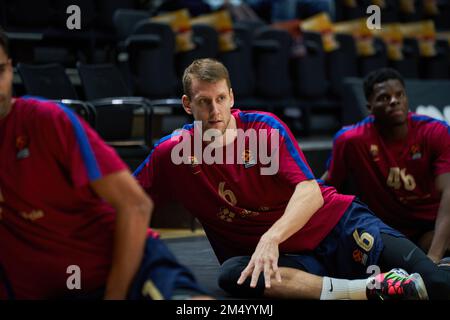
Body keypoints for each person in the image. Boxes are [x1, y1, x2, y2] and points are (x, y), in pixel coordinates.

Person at [135, 58, 450, 300]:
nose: (214, 110)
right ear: (188, 105)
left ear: (231, 97)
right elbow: (126, 201)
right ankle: (365, 289)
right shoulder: (172, 152)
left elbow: (311, 191)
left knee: (434, 284)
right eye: (204, 101)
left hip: (336, 226)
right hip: (291, 261)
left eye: (220, 99)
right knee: (234, 275)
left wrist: (270, 237)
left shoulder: (263, 129)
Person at [0, 28, 207, 300]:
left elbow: (135, 204)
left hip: (122, 269)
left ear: (10, 68)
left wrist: (115, 294)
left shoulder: (45, 120)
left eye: (0, 70)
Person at [322, 68, 450, 264]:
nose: (394, 101)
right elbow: (329, 184)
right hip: (385, 231)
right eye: (384, 97)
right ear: (369, 107)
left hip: (430, 226)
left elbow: (448, 192)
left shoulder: (436, 131)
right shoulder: (350, 140)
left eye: (399, 95)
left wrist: (433, 257)